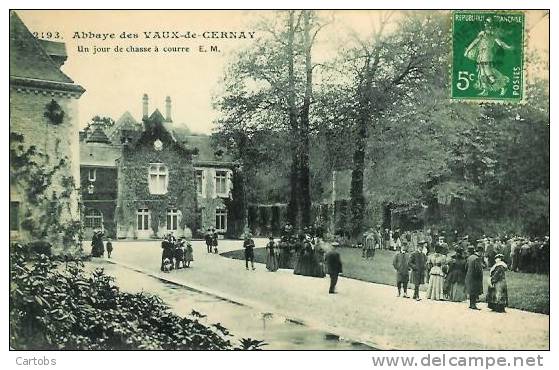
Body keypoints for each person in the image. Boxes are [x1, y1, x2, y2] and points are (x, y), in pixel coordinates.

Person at [465, 245, 484, 310]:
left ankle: (471, 304)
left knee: (471, 291)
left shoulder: (470, 257)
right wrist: (479, 276)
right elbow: (478, 269)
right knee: (475, 291)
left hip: (469, 276)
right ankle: (473, 305)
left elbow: (466, 267)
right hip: (475, 277)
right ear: (480, 252)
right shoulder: (477, 258)